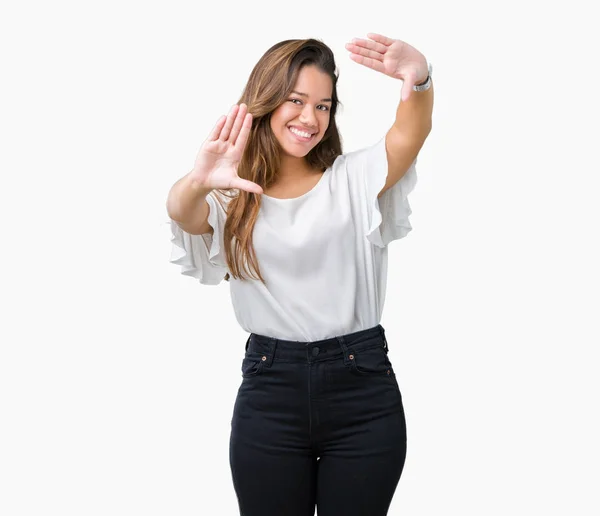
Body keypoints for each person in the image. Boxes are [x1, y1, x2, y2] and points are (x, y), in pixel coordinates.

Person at [166, 33, 433, 516]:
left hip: (362, 392)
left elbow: (408, 135)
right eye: (296, 101)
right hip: (271, 395)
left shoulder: (352, 180)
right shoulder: (235, 190)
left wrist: (421, 77)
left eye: (324, 106)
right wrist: (199, 179)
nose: (310, 118)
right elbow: (184, 214)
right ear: (266, 102)